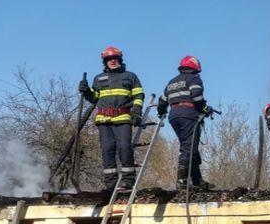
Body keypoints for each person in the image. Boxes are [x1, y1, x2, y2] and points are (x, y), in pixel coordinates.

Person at [78, 46, 144, 191]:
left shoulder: (130, 76)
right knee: (107, 150)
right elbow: (94, 97)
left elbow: (138, 95)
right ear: (105, 62)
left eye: (115, 59)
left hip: (123, 118)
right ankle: (111, 184)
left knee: (124, 148)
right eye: (109, 59)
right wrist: (86, 90)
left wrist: (137, 111)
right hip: (104, 120)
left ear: (120, 60)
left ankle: (127, 181)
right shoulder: (98, 78)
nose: (112, 61)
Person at [157, 55, 212, 190]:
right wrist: (205, 109)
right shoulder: (194, 79)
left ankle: (197, 180)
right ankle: (182, 181)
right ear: (196, 67)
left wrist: (161, 111)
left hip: (174, 116)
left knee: (190, 146)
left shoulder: (172, 82)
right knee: (189, 148)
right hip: (189, 115)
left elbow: (162, 101)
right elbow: (197, 97)